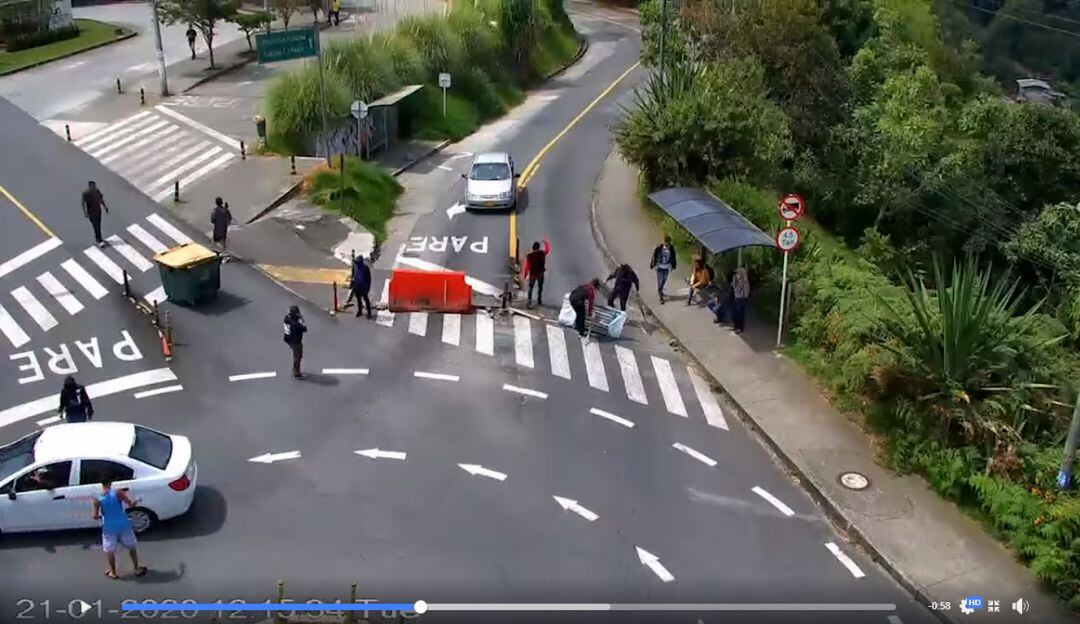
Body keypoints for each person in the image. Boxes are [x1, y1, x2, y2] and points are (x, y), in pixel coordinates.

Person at [93, 478, 147, 580]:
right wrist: (136, 501)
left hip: (109, 526)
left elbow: (95, 516)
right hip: (123, 524)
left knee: (110, 550)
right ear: (110, 483)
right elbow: (130, 504)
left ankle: (113, 572)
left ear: (101, 484)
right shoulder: (118, 492)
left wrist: (103, 516)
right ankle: (136, 568)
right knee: (131, 546)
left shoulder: (97, 499)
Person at [522, 238, 550, 307]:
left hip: (533, 274)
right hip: (540, 273)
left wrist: (525, 275)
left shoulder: (529, 256)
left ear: (533, 248)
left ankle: (529, 301)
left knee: (531, 287)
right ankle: (539, 299)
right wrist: (546, 242)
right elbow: (548, 249)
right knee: (540, 287)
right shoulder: (542, 253)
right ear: (538, 247)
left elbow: (527, 267)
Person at [649, 235, 676, 304]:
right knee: (660, 281)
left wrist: (673, 266)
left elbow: (673, 257)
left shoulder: (671, 248)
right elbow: (654, 255)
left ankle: (660, 290)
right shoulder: (659, 247)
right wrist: (653, 264)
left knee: (664, 280)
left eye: (668, 242)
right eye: (665, 241)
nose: (666, 243)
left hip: (666, 267)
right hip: (660, 267)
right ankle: (661, 296)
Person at [81, 181, 108, 247]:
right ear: (90, 186)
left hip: (98, 211)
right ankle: (99, 240)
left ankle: (100, 238)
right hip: (92, 212)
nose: (94, 187)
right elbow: (83, 203)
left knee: (98, 225)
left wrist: (105, 207)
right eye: (92, 186)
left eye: (94, 186)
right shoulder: (86, 193)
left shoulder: (97, 191)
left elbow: (101, 199)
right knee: (96, 226)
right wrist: (85, 212)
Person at [283, 305, 307, 378]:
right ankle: (297, 372)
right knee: (298, 356)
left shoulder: (287, 318)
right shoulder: (295, 324)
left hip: (288, 338)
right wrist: (302, 319)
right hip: (295, 341)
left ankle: (295, 369)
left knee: (297, 355)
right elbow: (304, 328)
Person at [350, 254, 372, 319]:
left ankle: (369, 313)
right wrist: (352, 284)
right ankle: (360, 311)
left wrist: (367, 288)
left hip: (364, 287)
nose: (356, 263)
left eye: (357, 262)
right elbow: (354, 276)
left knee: (366, 300)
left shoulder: (365, 268)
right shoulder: (356, 267)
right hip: (357, 286)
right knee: (359, 300)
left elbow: (369, 279)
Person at [731, 267, 750, 334]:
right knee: (735, 313)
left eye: (738, 273)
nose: (737, 274)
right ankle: (736, 326)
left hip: (742, 299)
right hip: (736, 297)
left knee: (740, 314)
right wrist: (734, 280)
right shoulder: (736, 280)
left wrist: (744, 298)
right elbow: (733, 287)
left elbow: (746, 291)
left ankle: (740, 328)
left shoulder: (745, 281)